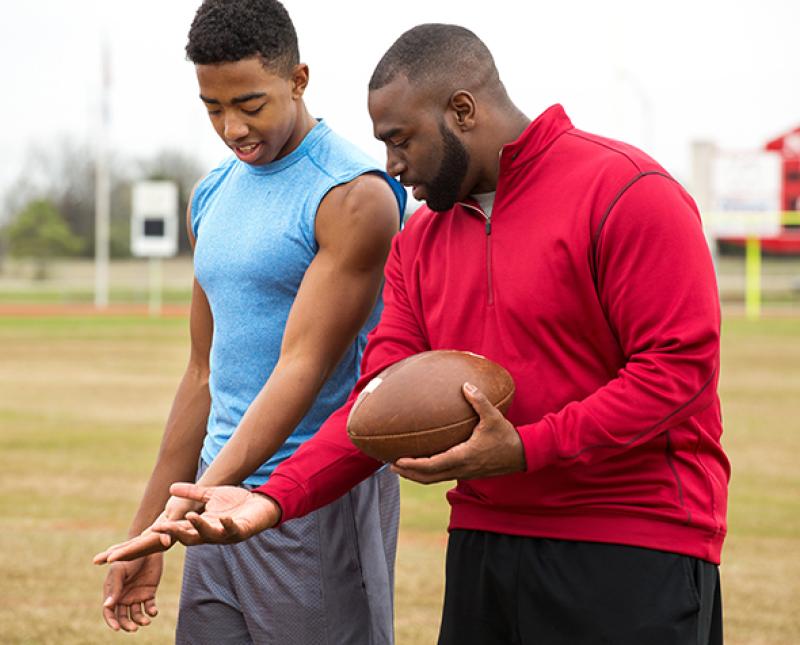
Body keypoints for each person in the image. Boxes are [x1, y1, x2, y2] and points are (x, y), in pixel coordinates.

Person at [101, 24, 729, 645]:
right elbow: (372, 403)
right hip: (486, 539)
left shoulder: (629, 192)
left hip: (636, 539)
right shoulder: (420, 241)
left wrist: (527, 448)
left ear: (461, 111)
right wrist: (274, 499)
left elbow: (676, 373)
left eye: (401, 141)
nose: (392, 167)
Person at [93, 1, 406, 644]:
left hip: (307, 495)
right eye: (212, 107)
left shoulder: (353, 195)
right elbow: (203, 374)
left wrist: (188, 504)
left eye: (251, 104)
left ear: (299, 80)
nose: (232, 126)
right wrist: (152, 524)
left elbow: (303, 365)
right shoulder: (211, 193)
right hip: (214, 496)